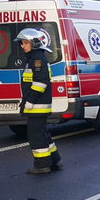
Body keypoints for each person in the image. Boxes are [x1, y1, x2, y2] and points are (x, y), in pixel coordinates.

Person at [14, 28, 61, 175]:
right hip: (39, 105)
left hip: (37, 106)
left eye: (25, 43)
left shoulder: (37, 59)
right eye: (22, 43)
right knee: (43, 133)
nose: (22, 46)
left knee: (36, 136)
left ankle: (42, 165)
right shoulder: (35, 58)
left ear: (33, 43)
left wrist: (29, 102)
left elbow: (41, 82)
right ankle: (54, 160)